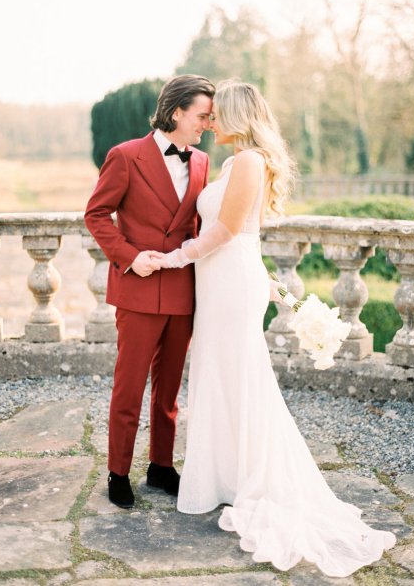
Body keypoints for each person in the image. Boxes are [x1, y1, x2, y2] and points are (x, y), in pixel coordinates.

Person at [149, 79, 397, 577]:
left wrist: (173, 258)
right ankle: (226, 477)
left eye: (217, 113)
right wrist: (276, 289)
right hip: (225, 279)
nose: (210, 121)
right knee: (220, 373)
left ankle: (252, 479)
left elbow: (224, 231)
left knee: (238, 374)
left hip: (224, 279)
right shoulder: (231, 162)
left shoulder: (248, 162)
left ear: (238, 115)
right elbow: (247, 239)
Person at [84, 74, 215, 508]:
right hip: (137, 290)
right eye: (201, 116)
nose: (206, 125)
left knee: (169, 389)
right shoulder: (125, 156)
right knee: (129, 387)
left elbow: (195, 227)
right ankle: (118, 471)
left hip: (182, 291)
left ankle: (161, 466)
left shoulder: (200, 161)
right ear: (176, 111)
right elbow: (97, 214)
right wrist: (128, 255)